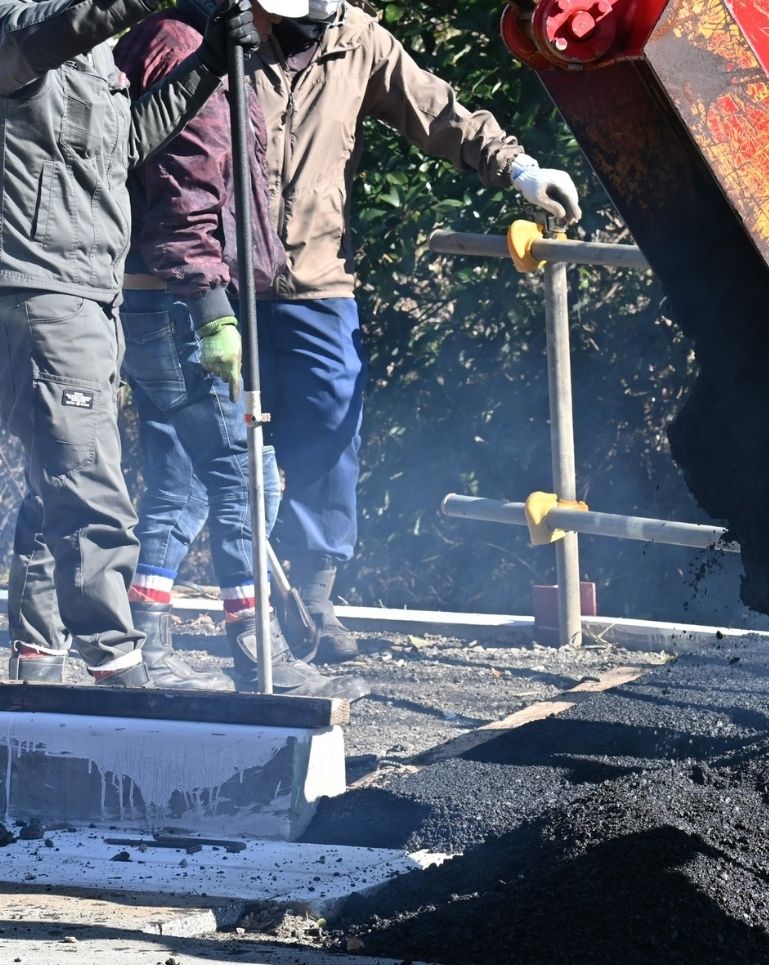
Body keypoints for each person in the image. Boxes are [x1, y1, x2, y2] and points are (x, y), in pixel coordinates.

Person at [248, 1, 582, 664]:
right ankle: (221, 605)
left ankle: (312, 598)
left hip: (318, 279)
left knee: (332, 435)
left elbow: (439, 113)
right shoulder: (220, 31)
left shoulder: (359, 40)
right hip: (222, 279)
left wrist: (520, 170)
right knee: (220, 445)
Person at [113, 0, 368, 698]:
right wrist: (209, 309)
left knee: (187, 481)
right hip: (179, 298)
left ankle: (150, 639)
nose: (285, 27)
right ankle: (261, 658)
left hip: (167, 295)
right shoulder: (186, 50)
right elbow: (187, 194)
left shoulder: (198, 45)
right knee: (246, 477)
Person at [0, 0, 258, 688]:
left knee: (57, 475)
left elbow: (127, 143)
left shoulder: (95, 56)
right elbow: (70, 23)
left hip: (88, 287)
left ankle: (39, 659)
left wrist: (207, 63)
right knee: (89, 482)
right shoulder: (19, 27)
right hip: (44, 287)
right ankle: (114, 662)